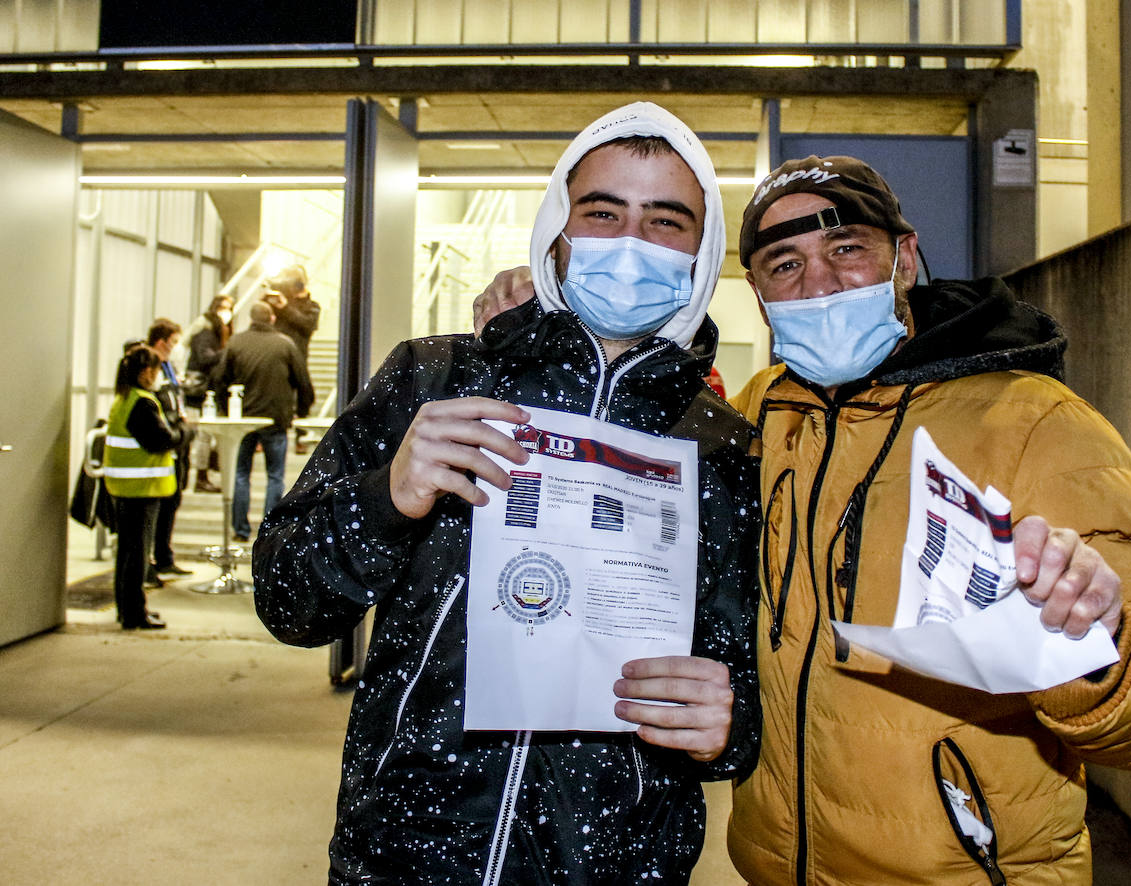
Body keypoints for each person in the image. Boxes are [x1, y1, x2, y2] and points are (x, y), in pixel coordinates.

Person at [473, 154, 1131, 884]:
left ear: (904, 258)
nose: (819, 284)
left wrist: (1097, 642)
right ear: (756, 294)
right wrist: (545, 324)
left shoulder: (1037, 423)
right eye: (784, 265)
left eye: (847, 250)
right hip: (772, 864)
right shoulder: (760, 413)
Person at [251, 102, 761, 884]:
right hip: (404, 856)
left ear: (703, 252)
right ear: (557, 229)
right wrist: (387, 497)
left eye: (666, 222)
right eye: (602, 212)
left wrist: (723, 726)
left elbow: (745, 690)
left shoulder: (720, 447)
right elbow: (288, 602)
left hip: (617, 866)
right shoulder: (436, 379)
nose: (629, 244)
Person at [103, 345, 193, 629]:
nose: (157, 376)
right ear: (146, 372)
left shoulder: (123, 398)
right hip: (142, 489)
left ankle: (127, 609)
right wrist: (187, 431)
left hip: (126, 488)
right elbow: (162, 440)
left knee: (127, 554)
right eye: (155, 370)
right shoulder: (143, 402)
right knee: (137, 555)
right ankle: (134, 613)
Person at [214, 301, 313, 543]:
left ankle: (240, 530)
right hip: (275, 419)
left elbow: (219, 379)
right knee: (275, 476)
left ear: (251, 318)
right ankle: (269, 530)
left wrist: (224, 410)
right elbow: (304, 383)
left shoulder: (236, 342)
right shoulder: (285, 344)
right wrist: (300, 411)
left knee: (240, 473)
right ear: (271, 319)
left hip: (243, 420)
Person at [145, 318, 193, 581]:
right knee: (159, 506)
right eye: (173, 342)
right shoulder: (149, 364)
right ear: (162, 341)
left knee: (172, 502)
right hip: (163, 444)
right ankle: (150, 561)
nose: (175, 347)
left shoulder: (169, 367)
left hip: (177, 441)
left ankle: (164, 557)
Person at [263, 264, 321, 454]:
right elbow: (263, 315)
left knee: (305, 395)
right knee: (271, 392)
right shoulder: (278, 301)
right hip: (276, 355)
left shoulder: (312, 307)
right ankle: (263, 434)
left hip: (298, 355)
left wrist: (285, 307)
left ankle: (300, 436)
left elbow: (307, 325)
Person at [184, 294, 235, 493]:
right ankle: (201, 476)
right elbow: (205, 359)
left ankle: (206, 471)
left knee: (209, 435)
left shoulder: (220, 331)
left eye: (229, 307)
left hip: (211, 390)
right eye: (222, 307)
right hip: (202, 391)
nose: (226, 312)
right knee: (204, 435)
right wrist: (228, 351)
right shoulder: (205, 332)